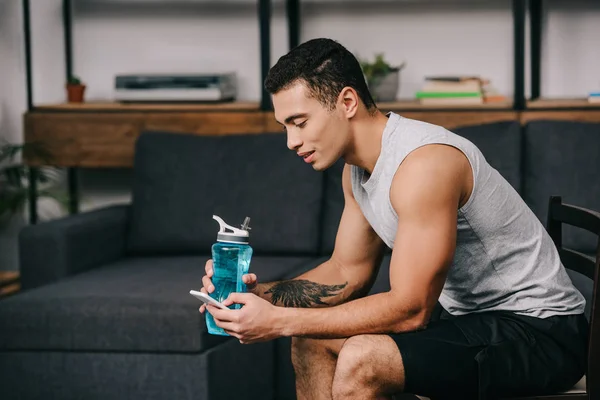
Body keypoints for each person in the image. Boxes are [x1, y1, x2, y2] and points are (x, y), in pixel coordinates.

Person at [198, 38, 588, 400]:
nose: (291, 141)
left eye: (300, 122)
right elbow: (346, 272)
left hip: (542, 332)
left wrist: (281, 322)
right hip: (474, 322)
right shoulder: (357, 171)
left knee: (363, 358)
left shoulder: (423, 166)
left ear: (347, 102)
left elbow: (411, 310)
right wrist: (254, 296)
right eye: (285, 127)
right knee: (312, 341)